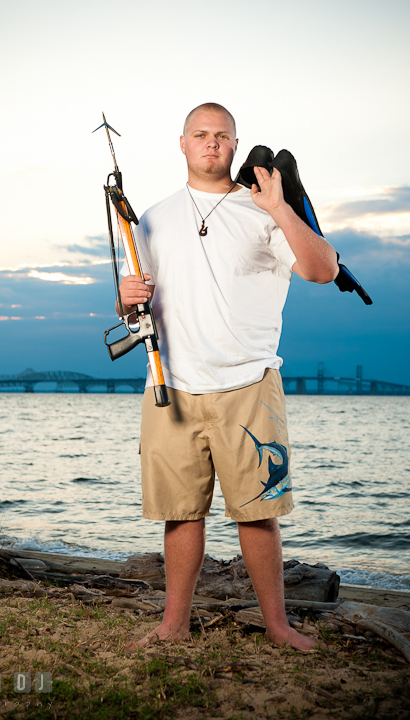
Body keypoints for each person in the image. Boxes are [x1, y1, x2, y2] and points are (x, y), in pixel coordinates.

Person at [118, 103, 338, 651]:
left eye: (222, 135)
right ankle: (173, 624)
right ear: (183, 143)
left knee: (258, 516)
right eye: (201, 134)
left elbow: (323, 270)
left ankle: (279, 626)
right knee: (180, 515)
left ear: (235, 145)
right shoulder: (150, 218)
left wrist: (281, 208)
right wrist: (123, 299)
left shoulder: (263, 209)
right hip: (171, 384)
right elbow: (135, 307)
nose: (211, 143)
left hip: (249, 384)